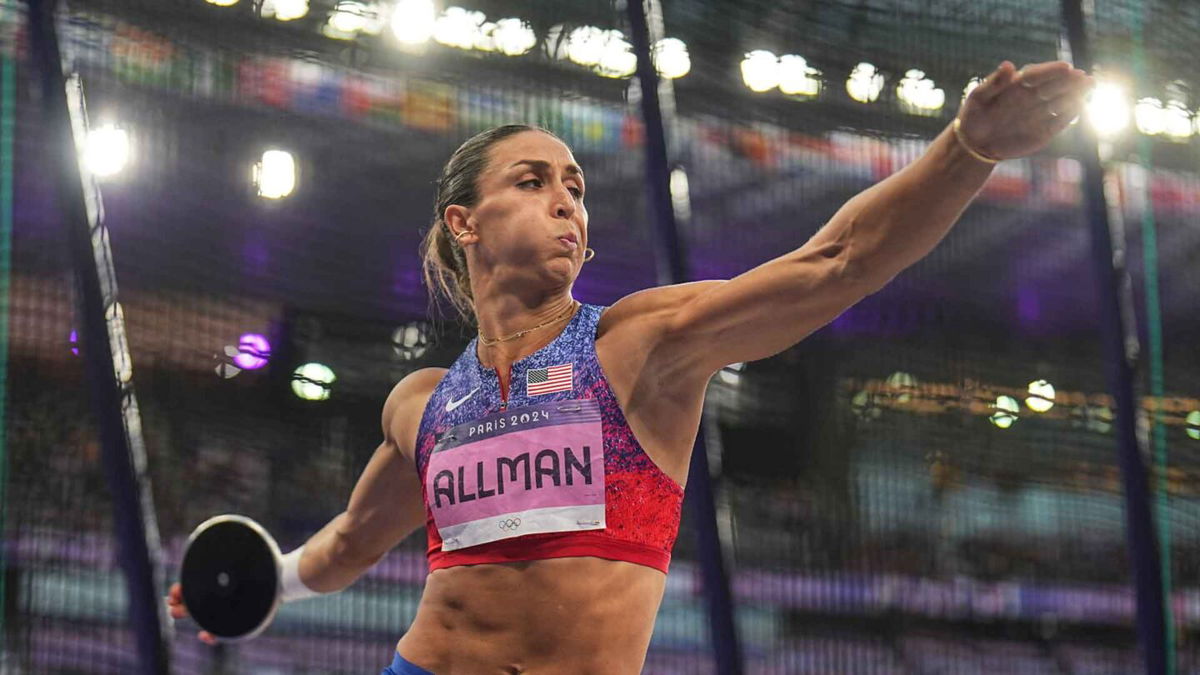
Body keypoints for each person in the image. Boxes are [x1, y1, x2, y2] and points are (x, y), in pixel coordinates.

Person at [169, 60, 1094, 674]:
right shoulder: (423, 405)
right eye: (533, 181)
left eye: (575, 185)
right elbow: (349, 545)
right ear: (465, 222)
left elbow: (834, 263)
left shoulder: (640, 346)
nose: (567, 200)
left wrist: (966, 150)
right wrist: (259, 584)